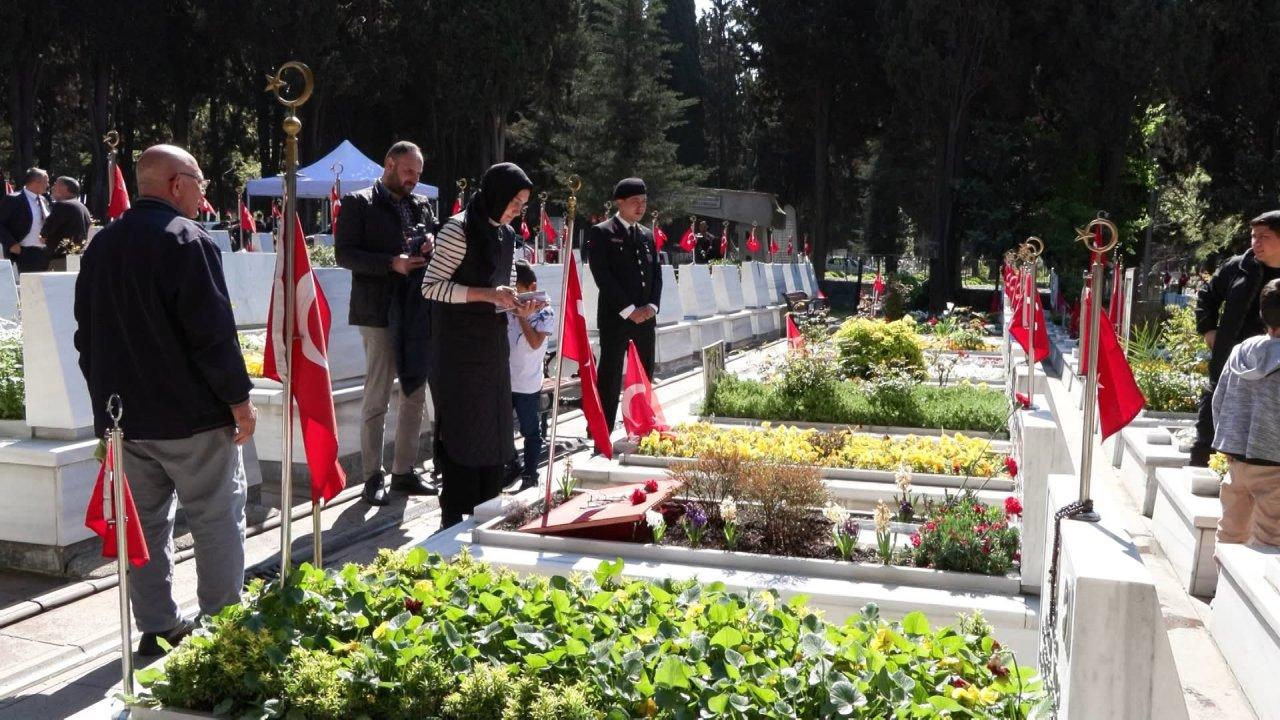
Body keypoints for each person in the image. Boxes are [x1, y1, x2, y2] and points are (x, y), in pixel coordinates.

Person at [73, 144, 256, 656]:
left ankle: (157, 624)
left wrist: (105, 405)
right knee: (217, 517)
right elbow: (213, 335)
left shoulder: (102, 245)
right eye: (200, 181)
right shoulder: (185, 239)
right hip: (192, 419)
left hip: (124, 419)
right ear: (176, 183)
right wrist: (239, 401)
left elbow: (86, 337)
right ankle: (224, 632)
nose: (205, 193)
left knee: (144, 528)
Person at [422, 162, 537, 529]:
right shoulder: (458, 229)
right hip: (457, 348)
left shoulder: (505, 234)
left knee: (493, 426)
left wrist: (521, 305)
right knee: (464, 429)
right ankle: (456, 517)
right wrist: (487, 294)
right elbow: (431, 286)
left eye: (523, 203)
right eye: (516, 201)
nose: (520, 209)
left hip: (490, 345)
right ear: (497, 195)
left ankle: (487, 510)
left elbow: (505, 286)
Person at [335, 141, 437, 505]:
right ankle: (371, 475)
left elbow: (432, 241)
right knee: (377, 394)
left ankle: (404, 471)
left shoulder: (420, 203)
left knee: (414, 393)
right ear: (389, 163)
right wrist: (390, 263)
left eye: (418, 174)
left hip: (415, 308)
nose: (413, 180)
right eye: (409, 171)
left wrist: (428, 247)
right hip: (377, 310)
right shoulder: (359, 202)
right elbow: (344, 254)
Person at [1192, 211, 1280, 466]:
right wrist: (1209, 329)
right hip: (1231, 362)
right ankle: (1201, 470)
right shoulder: (1240, 266)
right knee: (1208, 429)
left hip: (1274, 373)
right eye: (1253, 236)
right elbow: (1207, 296)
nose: (1256, 243)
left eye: (1264, 237)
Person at [587, 177, 662, 432]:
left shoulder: (646, 235)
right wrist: (630, 311)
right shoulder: (603, 232)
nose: (640, 208)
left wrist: (652, 306)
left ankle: (641, 423)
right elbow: (603, 276)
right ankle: (601, 429)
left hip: (645, 318)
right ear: (620, 202)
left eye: (643, 202)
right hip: (616, 318)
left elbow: (656, 275)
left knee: (644, 373)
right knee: (609, 375)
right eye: (634, 202)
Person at [1211, 279, 1280, 545]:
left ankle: (1222, 585)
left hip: (1237, 460)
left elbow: (1220, 400)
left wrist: (1226, 443)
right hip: (1275, 464)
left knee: (1231, 531)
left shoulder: (1241, 351)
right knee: (1271, 541)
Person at [506, 260, 555, 493]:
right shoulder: (507, 306)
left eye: (519, 290)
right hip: (504, 379)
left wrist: (522, 317)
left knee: (530, 430)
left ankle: (531, 472)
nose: (515, 295)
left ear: (532, 286)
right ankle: (512, 464)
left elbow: (536, 343)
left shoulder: (545, 310)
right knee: (502, 429)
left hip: (527, 382)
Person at [0, 168, 51, 274]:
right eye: (46, 182)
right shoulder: (13, 199)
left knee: (43, 288)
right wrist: (11, 244)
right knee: (30, 287)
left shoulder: (44, 200)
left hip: (43, 252)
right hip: (24, 252)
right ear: (36, 182)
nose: (48, 185)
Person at [42, 176, 93, 265]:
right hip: (77, 258)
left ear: (64, 188)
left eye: (55, 185)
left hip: (60, 260)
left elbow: (44, 234)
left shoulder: (62, 206)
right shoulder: (83, 207)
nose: (52, 188)